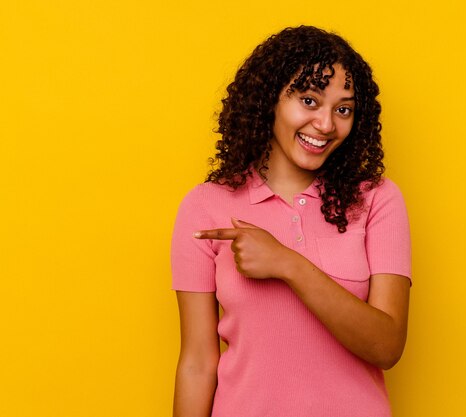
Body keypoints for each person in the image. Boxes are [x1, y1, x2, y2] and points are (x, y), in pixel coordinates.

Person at [171, 26, 411, 417]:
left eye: (343, 109)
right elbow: (197, 363)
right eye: (309, 100)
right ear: (270, 101)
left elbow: (387, 347)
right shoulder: (205, 206)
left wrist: (287, 264)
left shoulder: (377, 200)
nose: (326, 124)